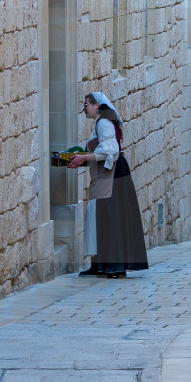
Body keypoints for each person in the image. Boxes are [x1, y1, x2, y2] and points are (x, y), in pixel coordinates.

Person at [67, 92, 149, 277]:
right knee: (103, 216)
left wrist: (84, 158)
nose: (84, 108)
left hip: (110, 175)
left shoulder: (103, 123)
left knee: (110, 217)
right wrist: (82, 159)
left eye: (87, 104)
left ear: (97, 106)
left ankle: (113, 266)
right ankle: (102, 265)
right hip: (107, 173)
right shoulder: (102, 122)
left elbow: (109, 149)